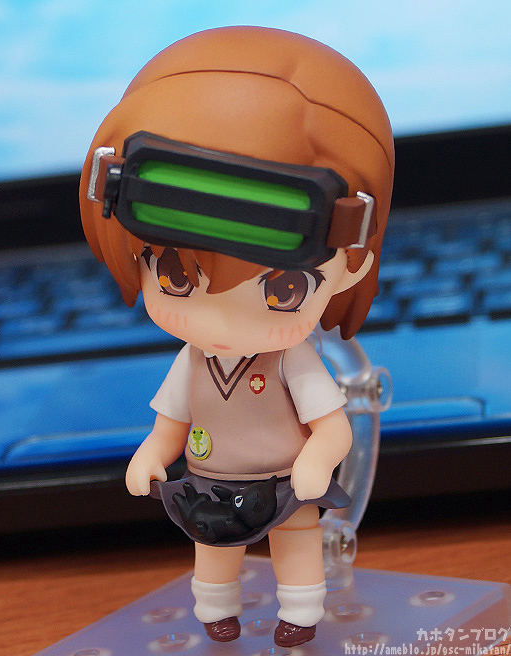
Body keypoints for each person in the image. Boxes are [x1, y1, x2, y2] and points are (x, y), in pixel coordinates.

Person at [79, 25, 394, 648]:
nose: (221, 320)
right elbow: (171, 423)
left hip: (285, 484)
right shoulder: (193, 362)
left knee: (296, 543)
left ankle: (299, 613)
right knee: (212, 551)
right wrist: (151, 453)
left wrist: (314, 462)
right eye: (174, 275)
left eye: (282, 288)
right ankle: (216, 611)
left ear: (352, 263)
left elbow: (334, 428)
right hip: (208, 482)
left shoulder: (293, 362)